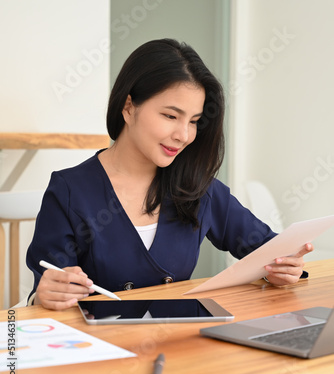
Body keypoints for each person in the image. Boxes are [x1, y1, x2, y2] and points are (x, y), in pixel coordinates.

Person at [26, 38, 312, 310]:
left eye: (194, 121)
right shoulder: (70, 190)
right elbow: (47, 286)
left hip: (180, 348)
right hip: (100, 349)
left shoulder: (199, 187)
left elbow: (268, 251)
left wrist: (282, 268)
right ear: (128, 107)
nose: (184, 135)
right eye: (171, 116)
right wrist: (45, 295)